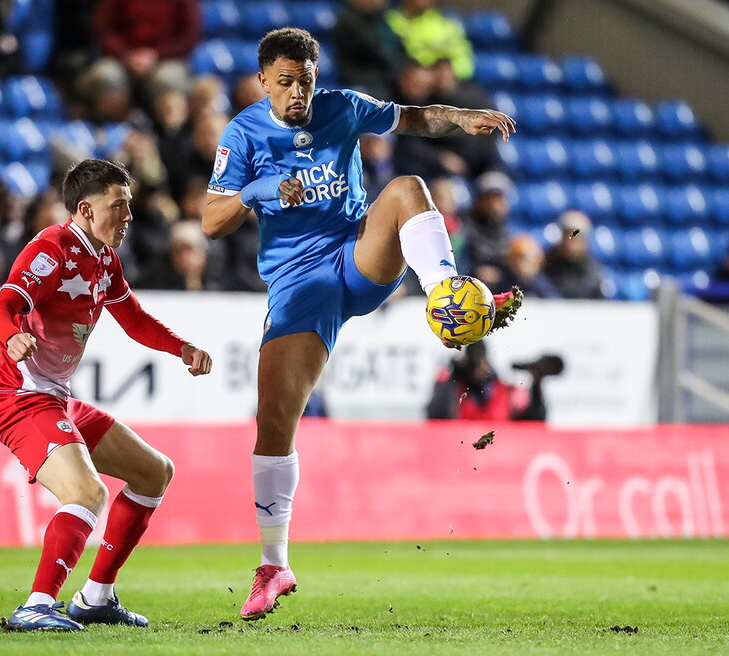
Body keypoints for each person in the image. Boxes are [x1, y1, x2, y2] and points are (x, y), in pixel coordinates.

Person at [201, 27, 520, 621]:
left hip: (356, 257)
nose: (298, 92)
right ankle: (275, 564)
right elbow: (212, 221)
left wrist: (459, 116)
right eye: (286, 81)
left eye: (306, 80)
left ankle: (448, 295)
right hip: (300, 282)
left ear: (316, 77)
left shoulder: (341, 107)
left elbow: (411, 117)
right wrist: (261, 189)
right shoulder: (244, 132)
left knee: (405, 187)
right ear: (264, 79)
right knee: (275, 421)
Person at [0, 159, 212, 631]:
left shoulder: (104, 258)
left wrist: (181, 347)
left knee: (153, 472)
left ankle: (96, 597)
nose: (129, 216)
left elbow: (135, 320)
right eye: (119, 206)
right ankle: (36, 606)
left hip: (53, 396)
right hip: (16, 394)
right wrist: (11, 336)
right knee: (87, 492)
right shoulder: (52, 249)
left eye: (129, 206)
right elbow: (1, 307)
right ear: (85, 209)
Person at [426, 340, 560, 421]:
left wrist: (537, 384)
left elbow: (535, 424)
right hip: (460, 457)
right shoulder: (453, 387)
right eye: (475, 362)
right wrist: (455, 373)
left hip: (501, 459)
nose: (481, 367)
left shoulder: (507, 391)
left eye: (482, 360)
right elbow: (437, 418)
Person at [386, 0, 475, 79]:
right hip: (404, 80)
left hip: (446, 84)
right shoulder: (390, 20)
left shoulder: (445, 23)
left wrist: (451, 73)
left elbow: (464, 61)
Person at [543, 210, 605, 299]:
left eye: (576, 239)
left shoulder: (592, 271)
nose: (570, 244)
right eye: (567, 237)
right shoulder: (547, 263)